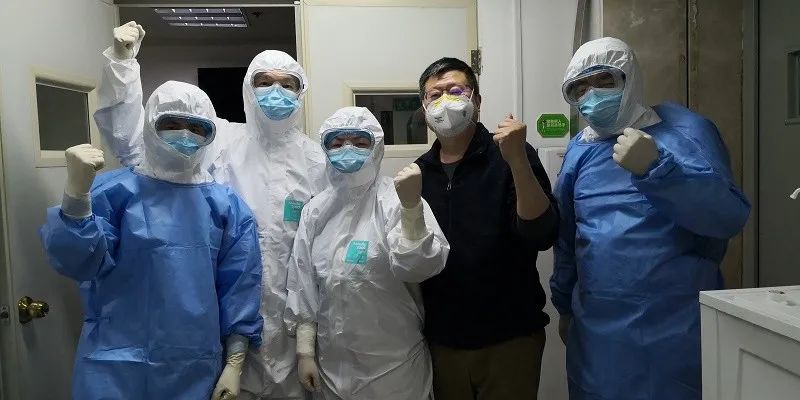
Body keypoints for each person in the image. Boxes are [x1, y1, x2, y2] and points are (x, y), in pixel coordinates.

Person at [93, 22, 329, 399]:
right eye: (264, 82)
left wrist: (305, 342)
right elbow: (137, 143)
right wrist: (122, 66)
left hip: (291, 316)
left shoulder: (316, 159)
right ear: (248, 88)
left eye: (287, 84)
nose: (276, 91)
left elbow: (321, 250)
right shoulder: (221, 140)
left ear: (301, 92)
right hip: (216, 311)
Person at [550, 37, 751, 400]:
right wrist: (563, 304)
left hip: (673, 328)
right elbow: (566, 236)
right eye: (580, 88)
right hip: (597, 333)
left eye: (604, 81)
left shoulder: (685, 132)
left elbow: (727, 217)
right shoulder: (581, 148)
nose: (592, 95)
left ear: (629, 77)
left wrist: (659, 170)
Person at [39, 80, 263, 400]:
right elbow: (76, 261)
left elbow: (240, 286)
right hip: (114, 367)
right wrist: (75, 197)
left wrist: (235, 362)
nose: (184, 135)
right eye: (171, 124)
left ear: (210, 134)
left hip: (194, 366)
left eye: (196, 128)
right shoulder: (114, 193)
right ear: (149, 125)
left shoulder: (226, 207)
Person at [414, 58, 559, 400]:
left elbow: (541, 234)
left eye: (456, 90)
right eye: (435, 94)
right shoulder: (420, 173)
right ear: (424, 109)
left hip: (509, 337)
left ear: (476, 100)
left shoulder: (509, 154)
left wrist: (517, 159)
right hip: (443, 339)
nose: (445, 101)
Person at [283, 107, 449, 399]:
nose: (348, 149)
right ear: (325, 148)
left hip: (394, 367)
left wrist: (412, 210)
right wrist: (305, 351)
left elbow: (419, 267)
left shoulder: (396, 200)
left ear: (377, 147)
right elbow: (303, 281)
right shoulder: (315, 211)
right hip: (333, 367)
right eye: (337, 143)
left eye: (360, 142)